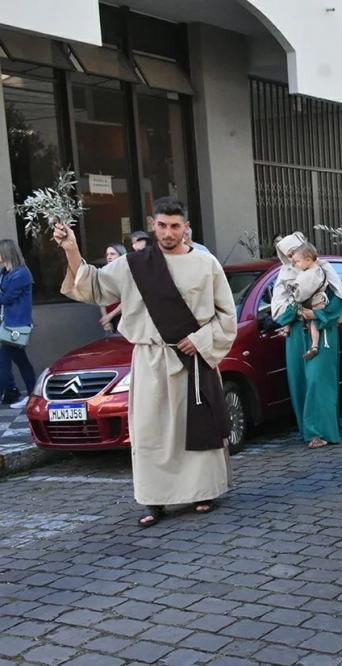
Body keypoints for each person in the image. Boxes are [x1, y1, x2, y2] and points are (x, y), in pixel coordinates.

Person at [55, 197, 236, 527]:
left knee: (195, 426)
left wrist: (200, 340)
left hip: (193, 359)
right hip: (150, 360)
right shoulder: (134, 265)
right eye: (162, 225)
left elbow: (226, 315)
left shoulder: (206, 264)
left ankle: (203, 491)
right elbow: (94, 286)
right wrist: (71, 249)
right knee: (150, 432)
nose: (168, 232)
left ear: (186, 227)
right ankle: (155, 499)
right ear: (154, 225)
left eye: (175, 226)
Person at [272, 233, 342, 449]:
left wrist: (317, 314)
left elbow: (337, 301)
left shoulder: (324, 270)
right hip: (296, 335)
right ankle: (308, 430)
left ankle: (322, 431)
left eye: (294, 253)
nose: (292, 258)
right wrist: (296, 312)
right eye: (288, 255)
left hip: (323, 332)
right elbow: (279, 310)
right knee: (300, 381)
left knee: (319, 380)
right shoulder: (284, 275)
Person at [0, 240, 35, 409]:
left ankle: (24, 394)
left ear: (6, 253)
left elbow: (6, 298)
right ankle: (31, 394)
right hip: (8, 324)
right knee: (21, 361)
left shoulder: (20, 274)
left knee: (4, 361)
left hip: (16, 325)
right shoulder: (5, 272)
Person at [289, 244, 332, 361]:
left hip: (316, 299)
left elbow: (305, 291)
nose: (296, 265)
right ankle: (314, 346)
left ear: (308, 260)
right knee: (311, 322)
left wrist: (295, 294)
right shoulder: (309, 271)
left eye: (298, 261)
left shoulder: (314, 273)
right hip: (313, 300)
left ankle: (314, 346)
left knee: (313, 322)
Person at [99, 244, 127, 334]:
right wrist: (106, 319)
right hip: (110, 320)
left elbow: (128, 299)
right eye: (107, 254)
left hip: (125, 318)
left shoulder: (127, 274)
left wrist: (110, 315)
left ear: (121, 256)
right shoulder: (104, 274)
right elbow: (101, 299)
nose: (109, 257)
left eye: (112, 254)